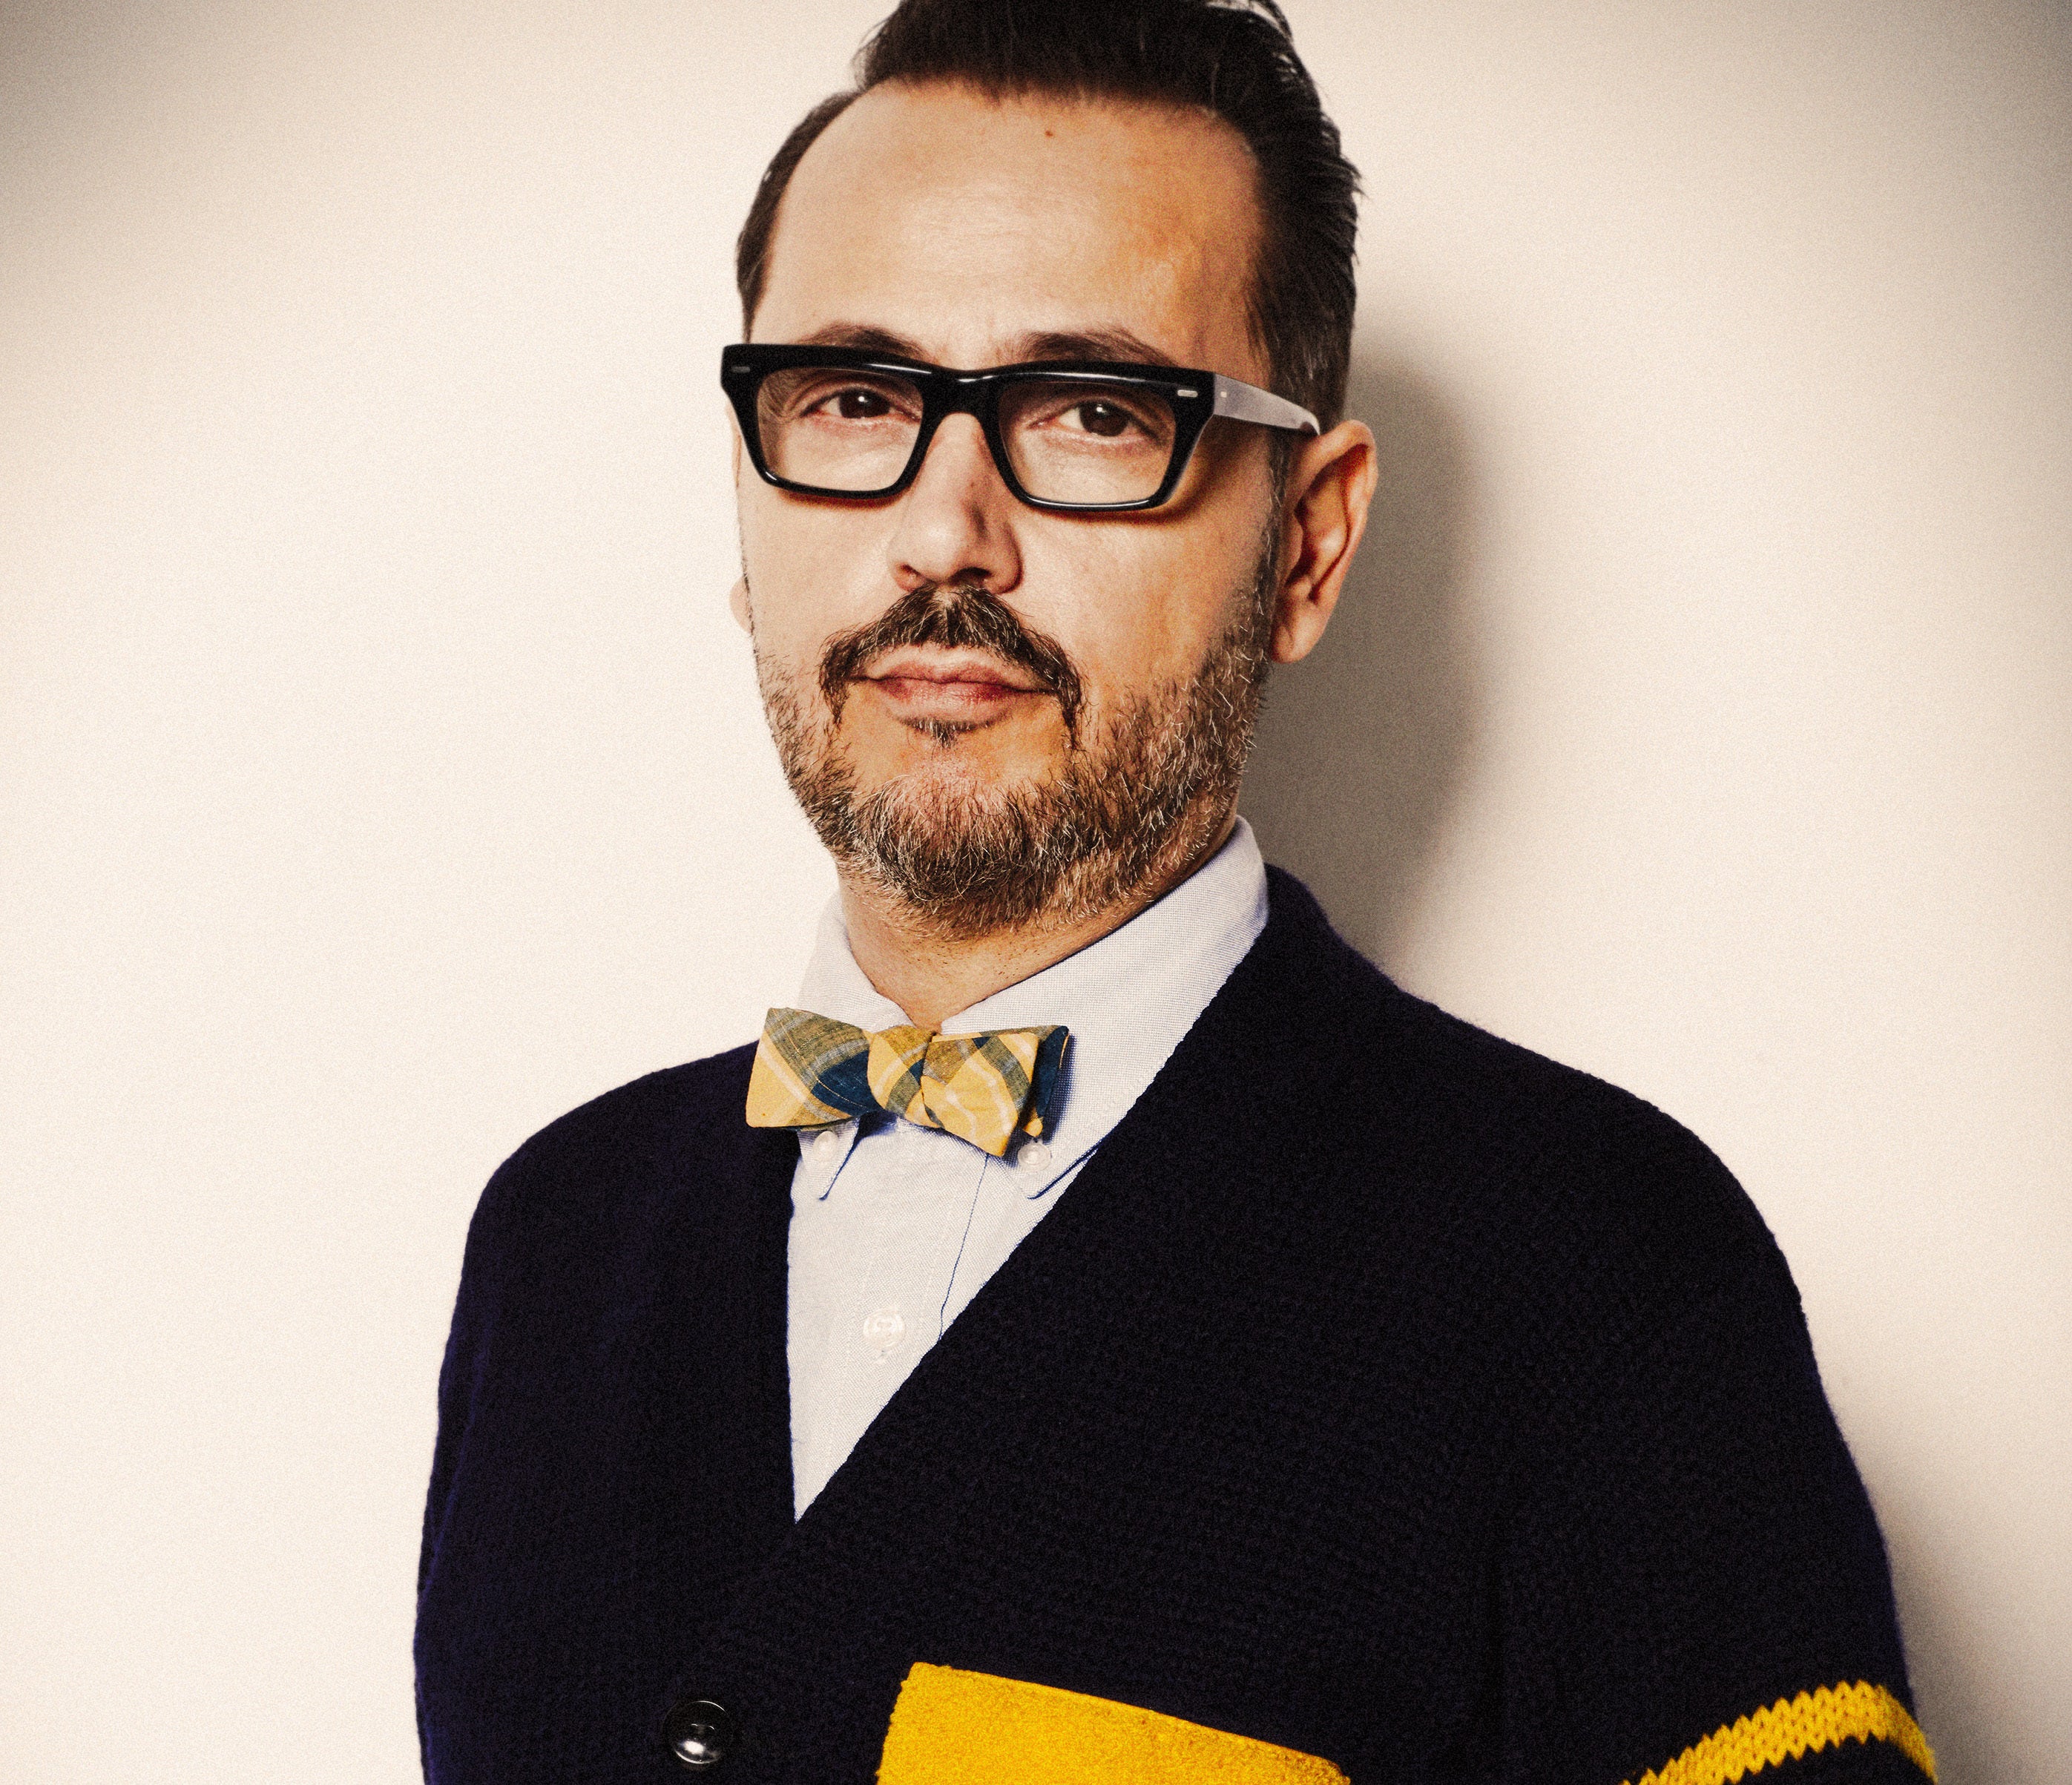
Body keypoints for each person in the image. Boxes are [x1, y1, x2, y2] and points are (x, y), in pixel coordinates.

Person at [413, 3, 1934, 1781]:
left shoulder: (1604, 1280)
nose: (941, 534)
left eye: (1091, 412)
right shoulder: (557, 1239)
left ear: (1306, 543)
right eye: (854, 400)